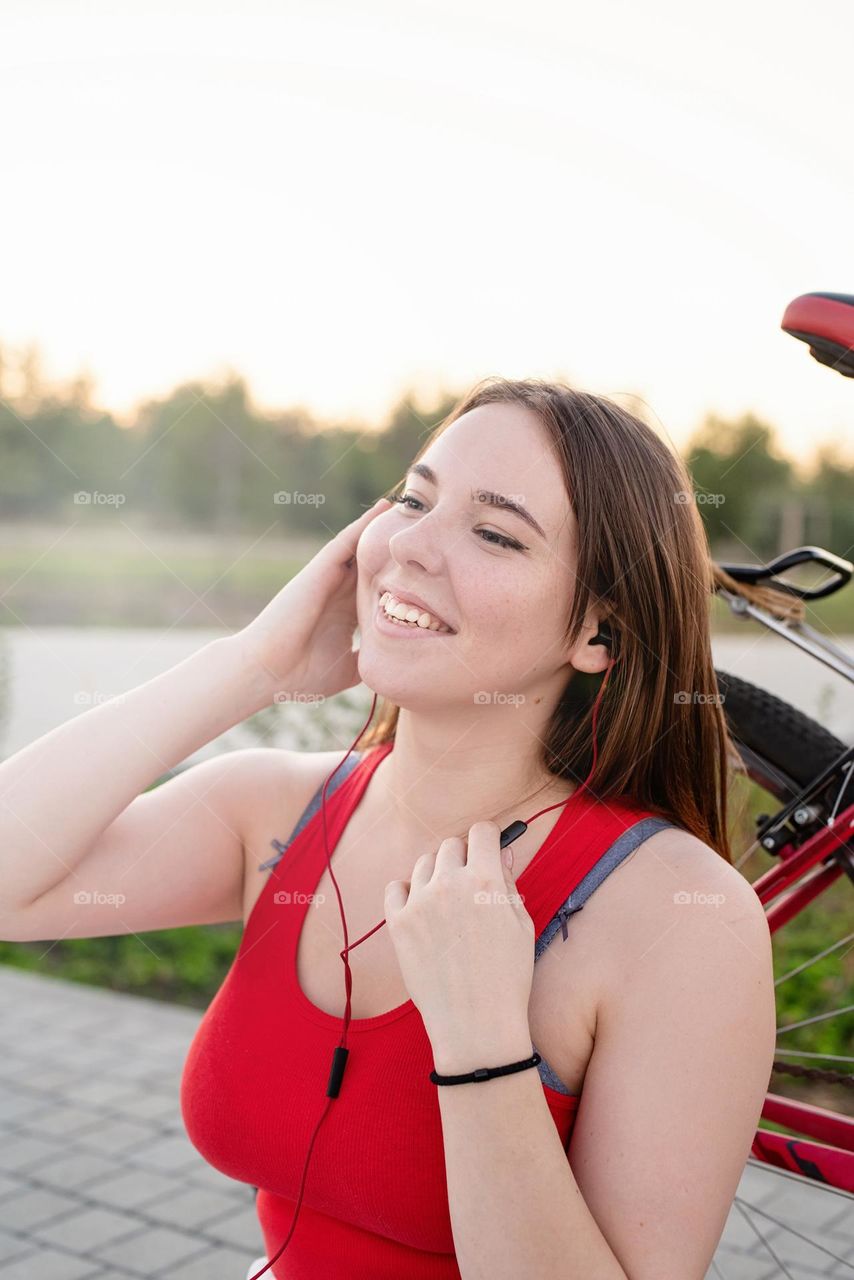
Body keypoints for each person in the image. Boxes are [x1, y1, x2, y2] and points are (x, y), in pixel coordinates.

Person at [0, 377, 775, 1279]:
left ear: (598, 631)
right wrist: (253, 663)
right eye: (412, 499)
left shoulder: (682, 919)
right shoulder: (275, 813)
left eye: (494, 533)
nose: (408, 545)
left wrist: (483, 1045)